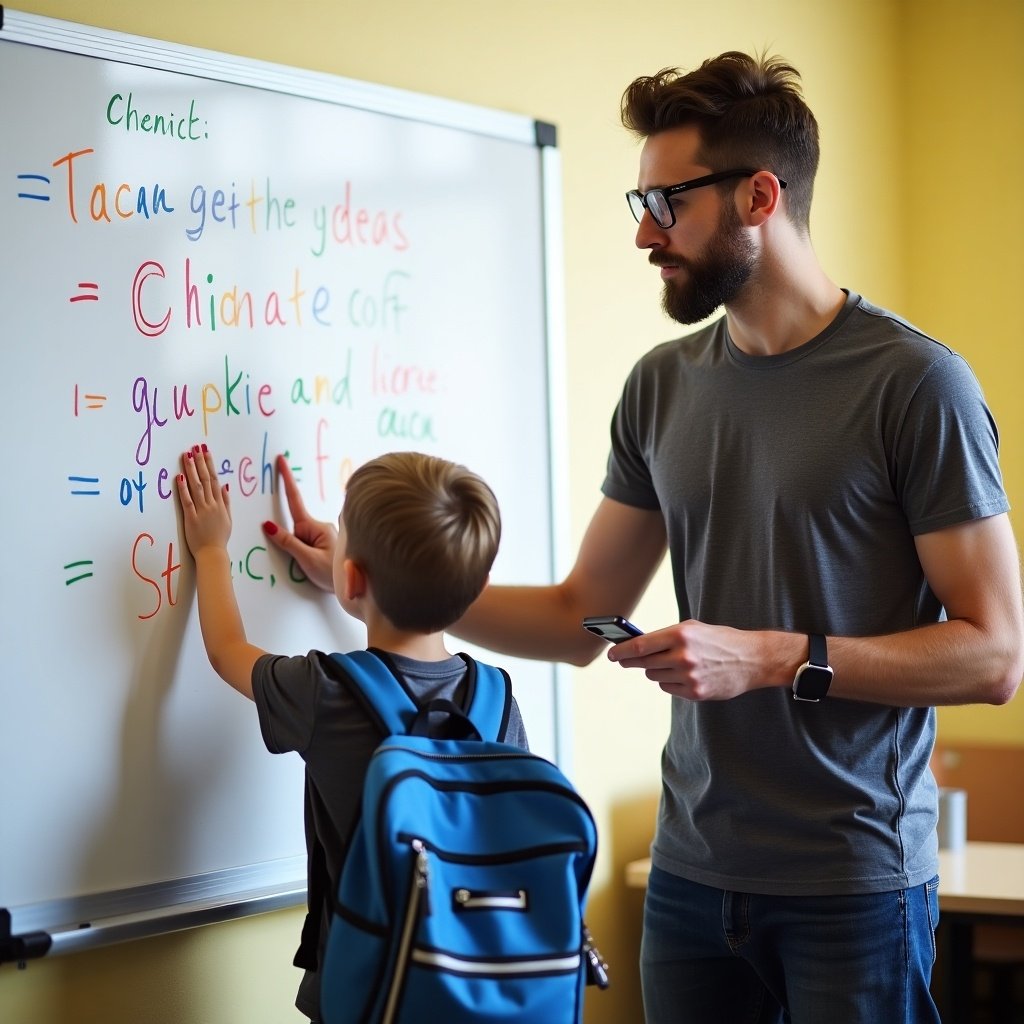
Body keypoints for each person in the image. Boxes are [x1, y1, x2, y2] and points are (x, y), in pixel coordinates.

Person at [261, 51, 1024, 1024]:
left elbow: (994, 653)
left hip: (853, 886)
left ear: (758, 195)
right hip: (690, 880)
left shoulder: (916, 386)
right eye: (641, 199)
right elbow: (583, 615)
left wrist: (770, 657)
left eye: (666, 202)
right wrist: (374, 584)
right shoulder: (662, 386)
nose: (641, 232)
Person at [175, 444, 528, 1023]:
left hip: (365, 991)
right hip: (479, 985)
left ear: (353, 575)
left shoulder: (323, 691)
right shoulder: (496, 698)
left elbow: (226, 651)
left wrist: (212, 548)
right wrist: (359, 579)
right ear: (478, 586)